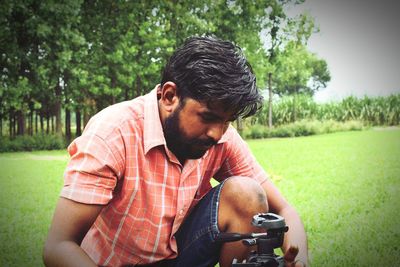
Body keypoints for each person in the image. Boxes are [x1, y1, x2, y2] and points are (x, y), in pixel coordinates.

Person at [43, 36, 309, 267]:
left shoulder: (221, 137)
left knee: (246, 193)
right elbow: (59, 246)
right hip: (113, 262)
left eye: (226, 122)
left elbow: (284, 209)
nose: (217, 133)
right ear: (170, 96)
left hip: (181, 257)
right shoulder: (113, 131)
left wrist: (299, 257)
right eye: (207, 117)